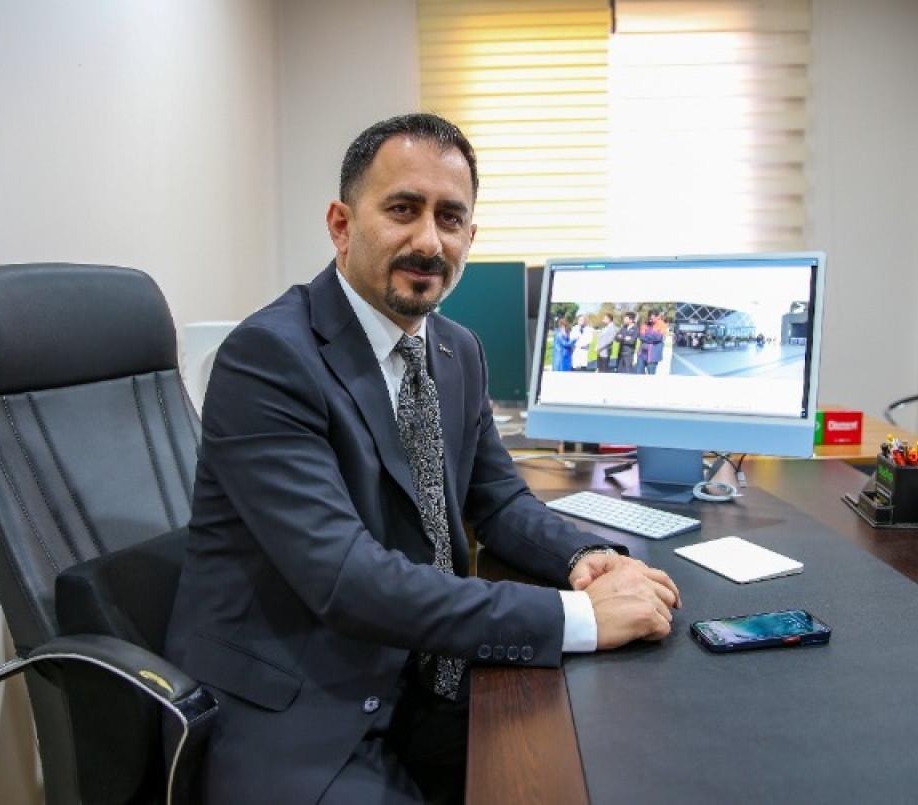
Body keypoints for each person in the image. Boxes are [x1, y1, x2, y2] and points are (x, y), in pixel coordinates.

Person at [164, 113, 681, 805]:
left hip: (422, 677)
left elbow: (499, 500)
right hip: (303, 708)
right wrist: (578, 617)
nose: (429, 241)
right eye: (403, 209)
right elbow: (346, 577)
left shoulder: (455, 349)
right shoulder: (269, 359)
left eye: (450, 217)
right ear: (342, 225)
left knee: (619, 761)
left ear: (471, 237)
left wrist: (586, 559)